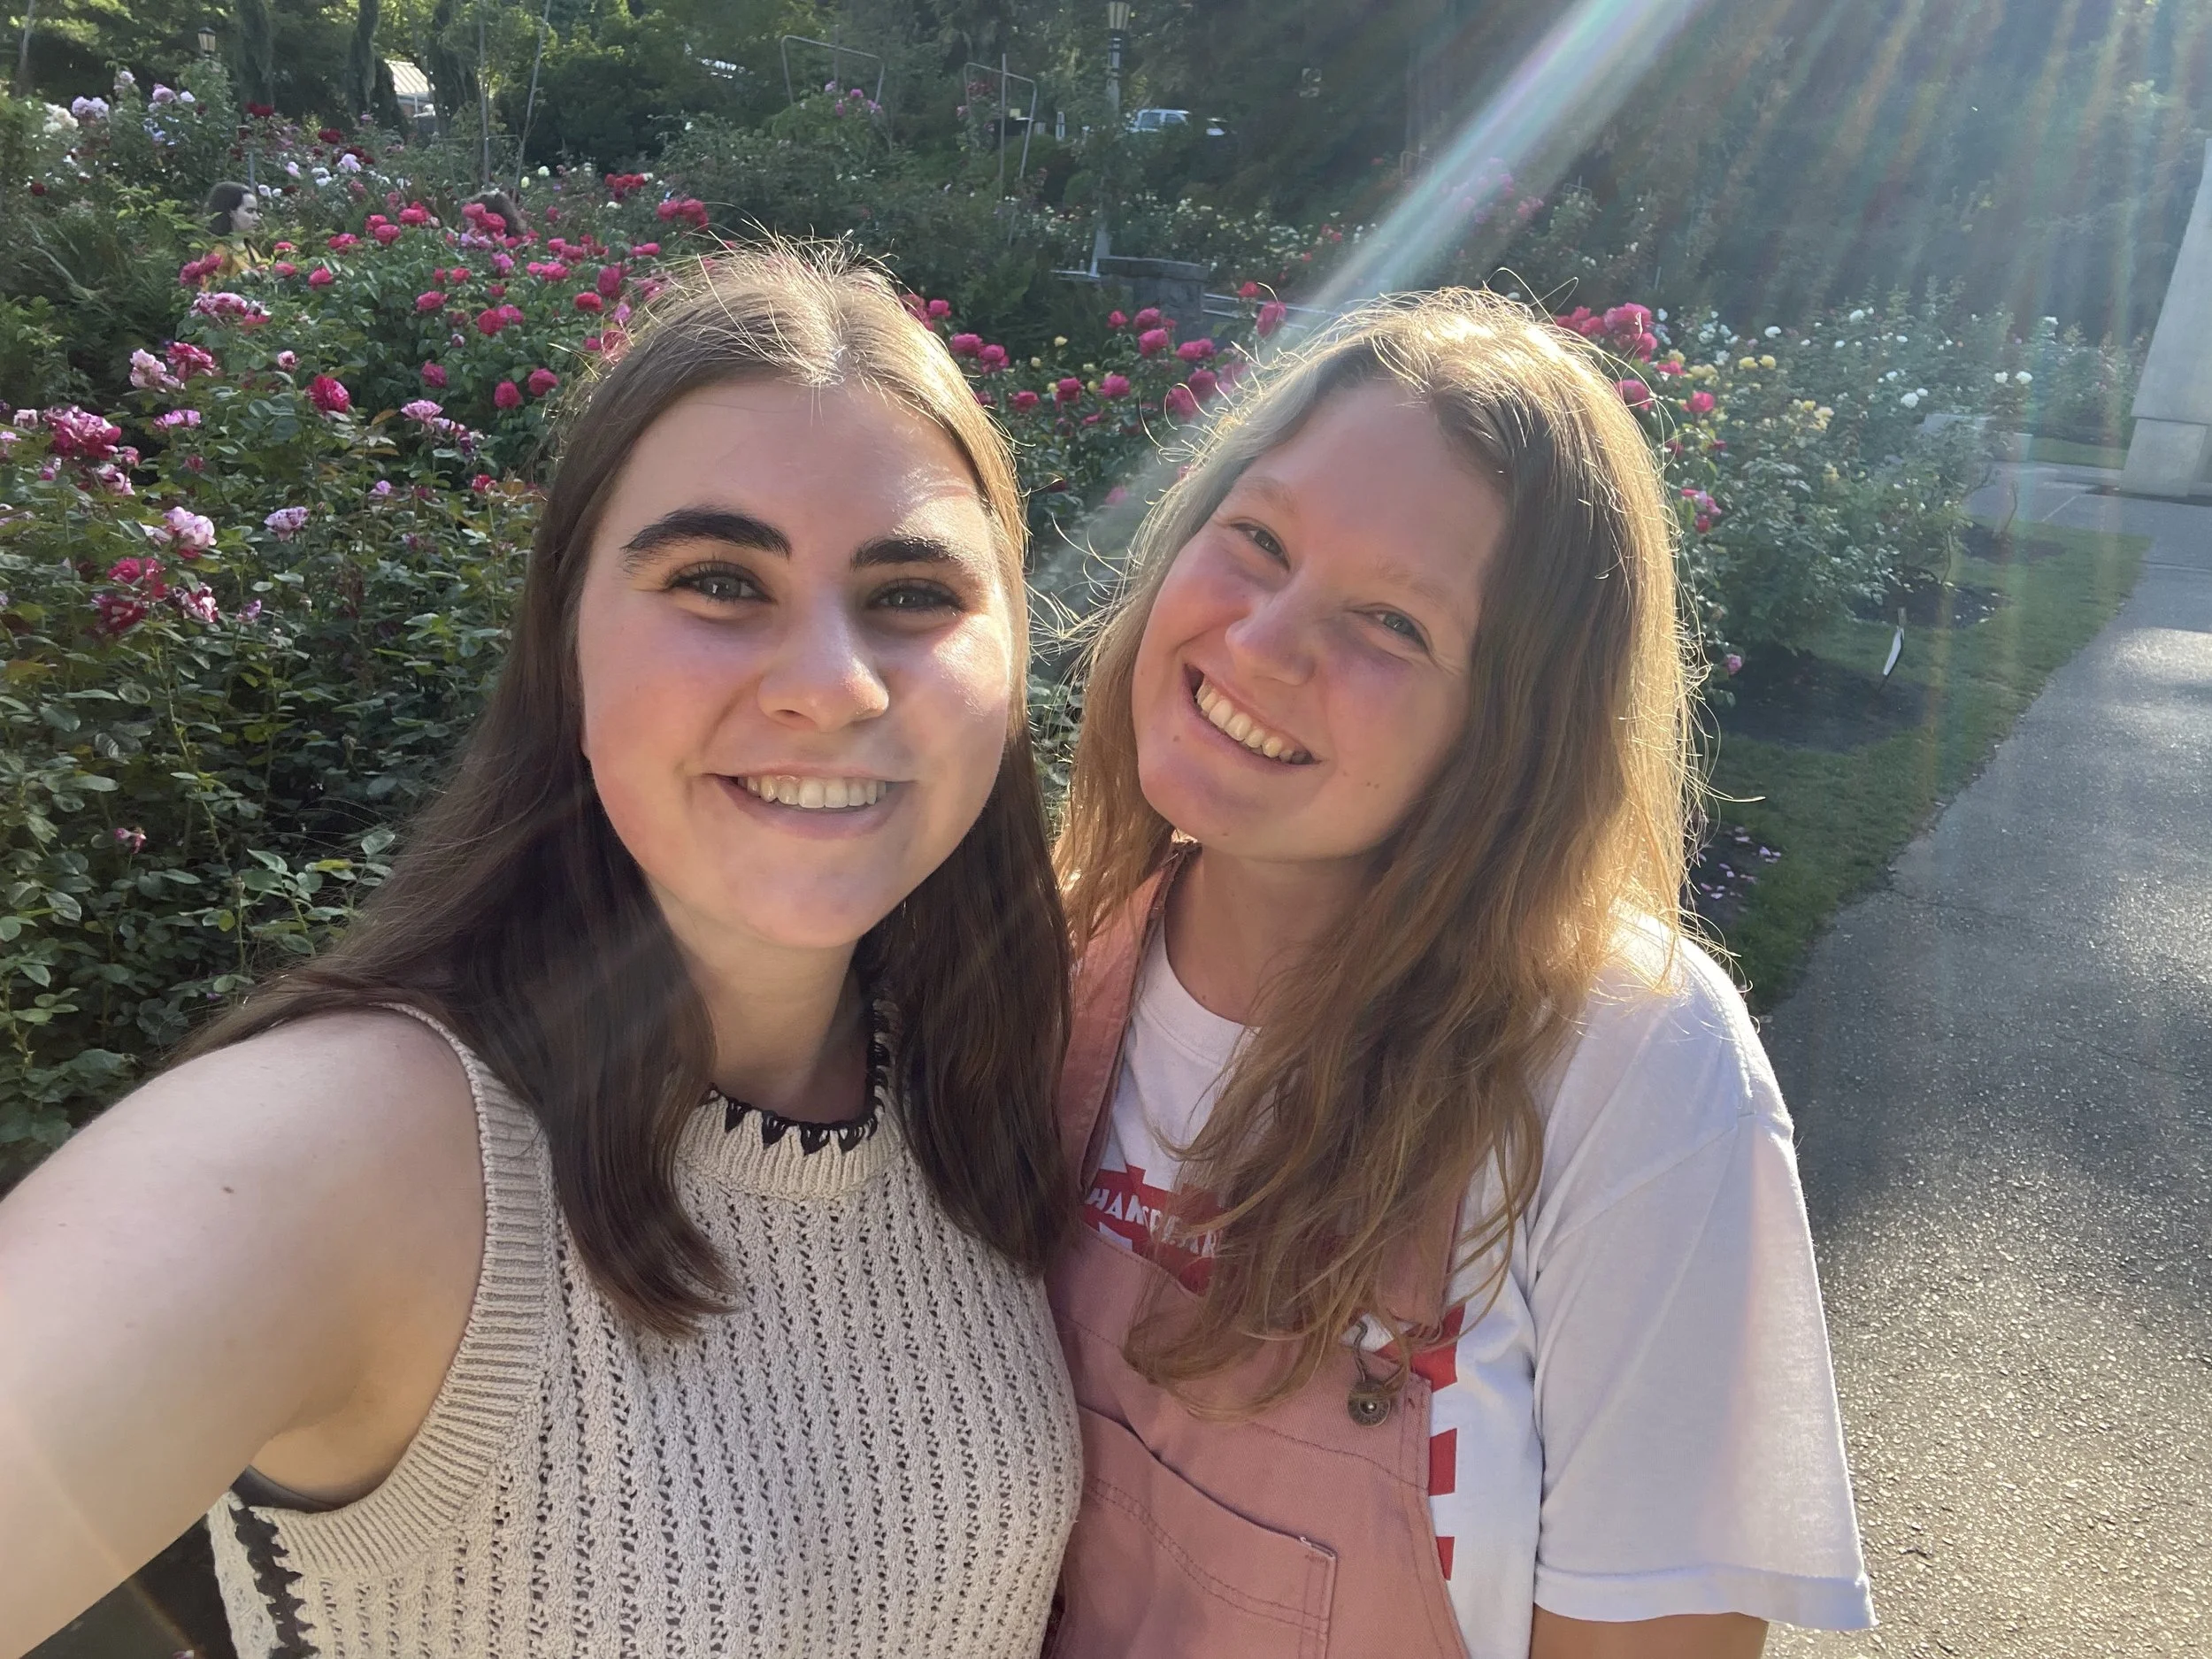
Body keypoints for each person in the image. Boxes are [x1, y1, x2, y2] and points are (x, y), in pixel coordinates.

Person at [0, 246, 1080, 1658]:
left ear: (1006, 676)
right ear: (566, 648)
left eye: (915, 594)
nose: (831, 681)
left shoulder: (981, 1087)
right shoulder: (352, 1152)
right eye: (716, 578)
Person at [1047, 290, 1875, 1658]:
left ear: (1512, 738)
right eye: (1256, 537)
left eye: (1393, 621)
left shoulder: (1631, 1068)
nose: (1260, 641)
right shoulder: (1063, 961)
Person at [199, 180, 264, 281]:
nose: (257, 218)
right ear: (230, 212)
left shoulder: (249, 246)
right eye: (250, 211)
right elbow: (211, 293)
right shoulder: (220, 252)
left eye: (257, 211)